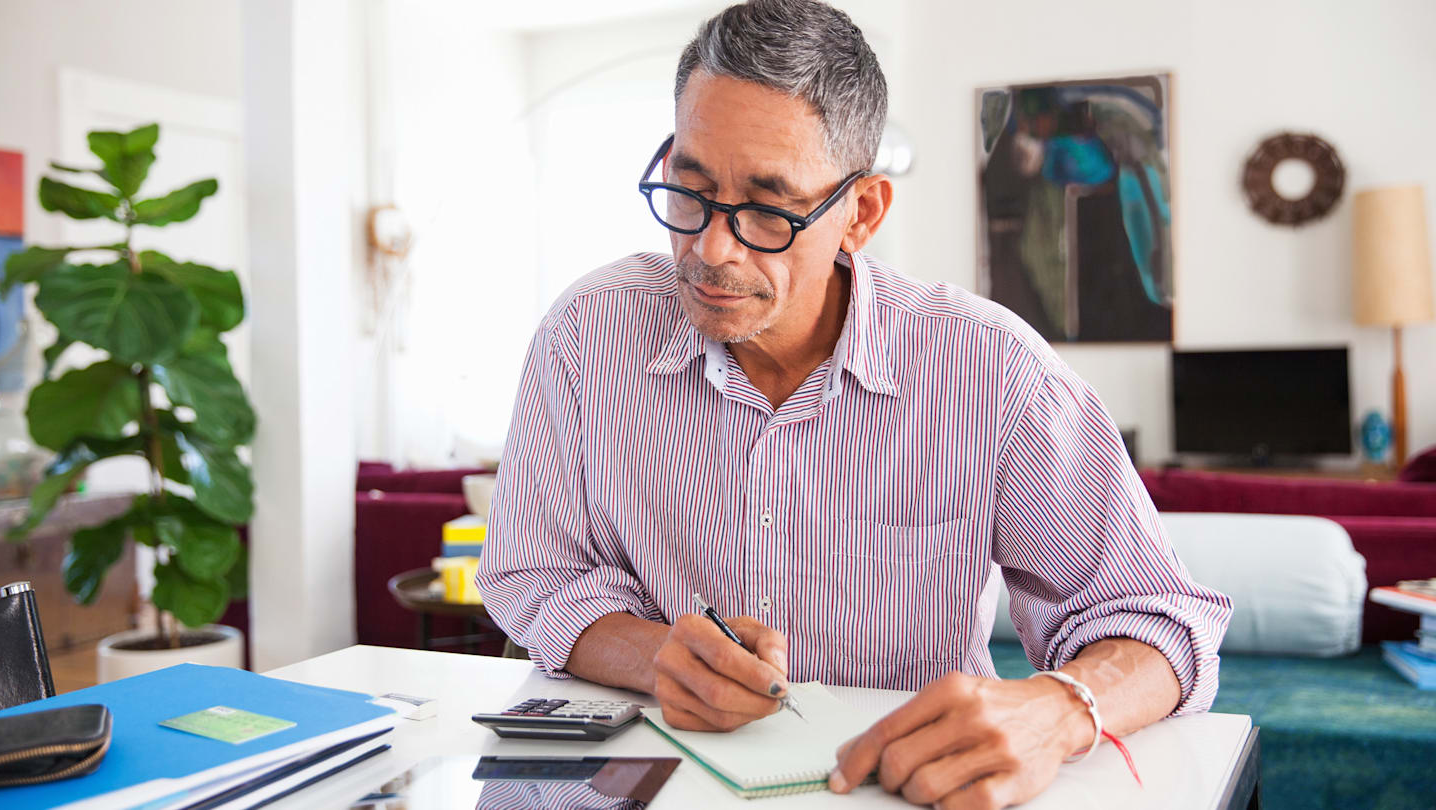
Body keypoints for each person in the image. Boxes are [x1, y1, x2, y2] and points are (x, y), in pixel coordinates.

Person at [475, 1, 1232, 807]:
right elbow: (534, 573)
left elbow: (1158, 618)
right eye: (690, 189)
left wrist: (1057, 709)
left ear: (861, 213)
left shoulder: (992, 370)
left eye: (767, 210)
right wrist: (655, 655)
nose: (710, 249)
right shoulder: (586, 336)